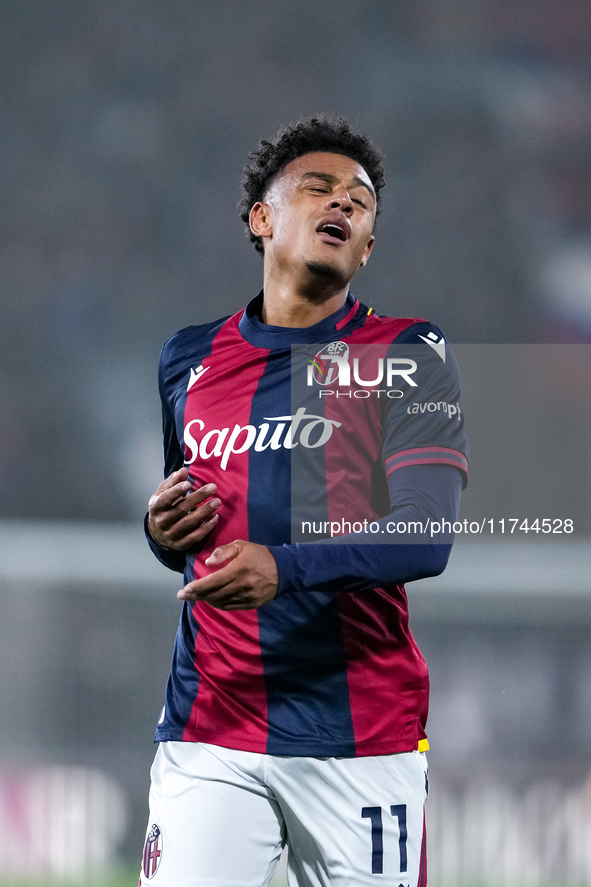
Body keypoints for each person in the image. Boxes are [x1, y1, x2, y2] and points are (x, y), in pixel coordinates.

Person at [140, 116, 468, 887]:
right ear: (261, 218)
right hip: (211, 722)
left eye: (360, 202)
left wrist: (282, 570)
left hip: (361, 731)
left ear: (366, 247)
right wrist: (158, 529)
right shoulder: (188, 358)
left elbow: (426, 535)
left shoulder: (405, 352)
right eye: (318, 187)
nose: (344, 204)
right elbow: (187, 527)